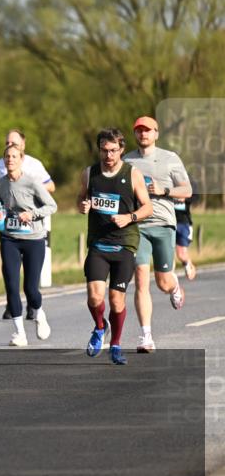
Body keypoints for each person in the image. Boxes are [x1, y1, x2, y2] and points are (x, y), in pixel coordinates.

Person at [78, 128, 152, 366]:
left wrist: (128, 218)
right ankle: (100, 328)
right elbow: (81, 197)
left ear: (121, 149)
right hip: (99, 244)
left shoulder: (132, 174)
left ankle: (116, 345)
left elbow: (147, 208)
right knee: (94, 297)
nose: (108, 155)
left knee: (116, 300)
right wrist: (83, 205)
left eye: (112, 150)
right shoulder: (90, 173)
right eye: (103, 150)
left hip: (124, 245)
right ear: (99, 150)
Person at [123, 116, 192, 353]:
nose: (143, 134)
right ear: (135, 134)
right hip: (138, 226)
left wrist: (164, 190)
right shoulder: (126, 161)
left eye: (148, 130)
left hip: (164, 224)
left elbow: (187, 190)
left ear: (156, 133)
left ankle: (173, 287)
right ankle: (146, 336)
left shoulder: (170, 158)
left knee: (162, 281)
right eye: (139, 130)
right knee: (141, 279)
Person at [0, 143, 57, 346]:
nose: (10, 159)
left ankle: (39, 313)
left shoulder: (33, 183)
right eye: (7, 157)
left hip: (33, 239)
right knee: (11, 285)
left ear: (21, 159)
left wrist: (33, 214)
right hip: (9, 238)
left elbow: (52, 206)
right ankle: (19, 333)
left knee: (30, 289)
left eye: (14, 156)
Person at [175, 196, 198, 281]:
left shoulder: (191, 183)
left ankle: (188, 264)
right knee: (168, 254)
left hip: (184, 222)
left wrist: (185, 198)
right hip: (169, 221)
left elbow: (196, 197)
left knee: (181, 254)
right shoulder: (167, 183)